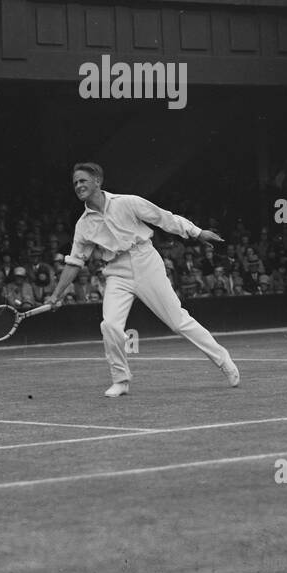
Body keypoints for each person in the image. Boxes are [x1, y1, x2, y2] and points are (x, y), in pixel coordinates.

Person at [49, 162, 239, 397]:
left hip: (145, 261)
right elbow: (75, 262)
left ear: (97, 181)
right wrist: (57, 294)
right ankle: (121, 380)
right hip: (116, 271)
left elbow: (164, 219)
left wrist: (197, 232)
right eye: (75, 183)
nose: (78, 186)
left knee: (178, 321)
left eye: (83, 181)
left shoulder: (128, 202)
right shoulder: (83, 225)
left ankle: (224, 361)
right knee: (110, 326)